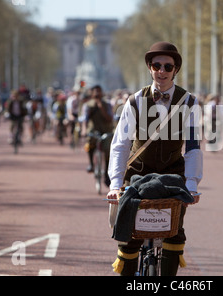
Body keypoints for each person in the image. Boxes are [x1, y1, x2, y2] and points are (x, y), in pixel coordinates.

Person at [106, 41, 202, 276]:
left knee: (175, 233)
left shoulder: (189, 102)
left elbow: (192, 147)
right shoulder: (135, 101)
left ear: (175, 70)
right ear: (149, 67)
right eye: (156, 65)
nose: (161, 71)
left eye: (167, 66)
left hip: (173, 175)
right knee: (129, 235)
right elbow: (120, 144)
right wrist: (115, 184)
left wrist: (192, 183)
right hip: (137, 174)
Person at [83, 85, 114, 187]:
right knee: (89, 142)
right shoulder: (88, 105)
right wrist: (84, 130)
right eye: (95, 92)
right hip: (94, 130)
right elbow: (85, 119)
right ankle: (91, 163)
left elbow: (109, 119)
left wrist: (101, 106)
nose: (97, 94)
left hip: (105, 131)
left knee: (108, 150)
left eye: (99, 92)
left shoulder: (107, 104)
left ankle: (106, 174)